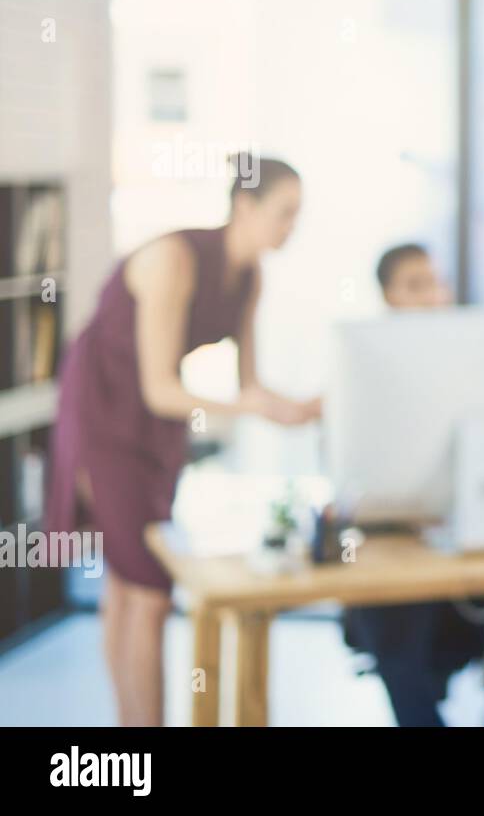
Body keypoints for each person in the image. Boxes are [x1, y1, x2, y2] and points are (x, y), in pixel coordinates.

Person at [45, 153, 321, 726]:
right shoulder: (174, 259)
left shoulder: (250, 276)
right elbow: (160, 388)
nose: (292, 226)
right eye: (285, 212)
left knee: (128, 583)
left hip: (156, 424)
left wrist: (301, 409)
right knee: (149, 590)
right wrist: (245, 407)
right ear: (244, 205)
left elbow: (251, 386)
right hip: (106, 408)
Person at [341, 242, 484, 727]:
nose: (433, 295)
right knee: (397, 631)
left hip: (472, 545)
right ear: (388, 297)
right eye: (415, 285)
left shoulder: (476, 366)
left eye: (437, 282)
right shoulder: (365, 369)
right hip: (396, 552)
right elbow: (351, 482)